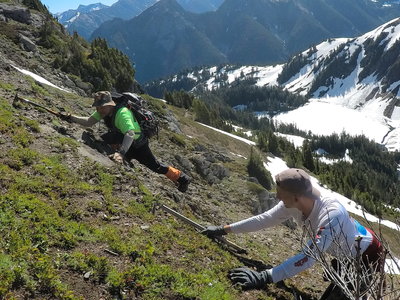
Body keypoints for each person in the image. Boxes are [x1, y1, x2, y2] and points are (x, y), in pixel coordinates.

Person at [202, 168, 383, 298]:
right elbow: (264, 219)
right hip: (347, 246)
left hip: (368, 254)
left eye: (280, 193)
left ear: (296, 197)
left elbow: (309, 257)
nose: (277, 197)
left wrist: (264, 277)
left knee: (352, 292)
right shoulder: (294, 203)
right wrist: (223, 230)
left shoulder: (330, 214)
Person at [60, 91, 191, 192]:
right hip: (123, 139)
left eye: (101, 107)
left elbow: (130, 133)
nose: (98, 110)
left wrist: (121, 153)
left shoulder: (122, 113)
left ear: (110, 104)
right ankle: (124, 161)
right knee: (104, 139)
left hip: (138, 144)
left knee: (155, 166)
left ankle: (182, 178)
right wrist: (70, 117)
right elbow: (89, 122)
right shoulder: (104, 111)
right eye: (97, 107)